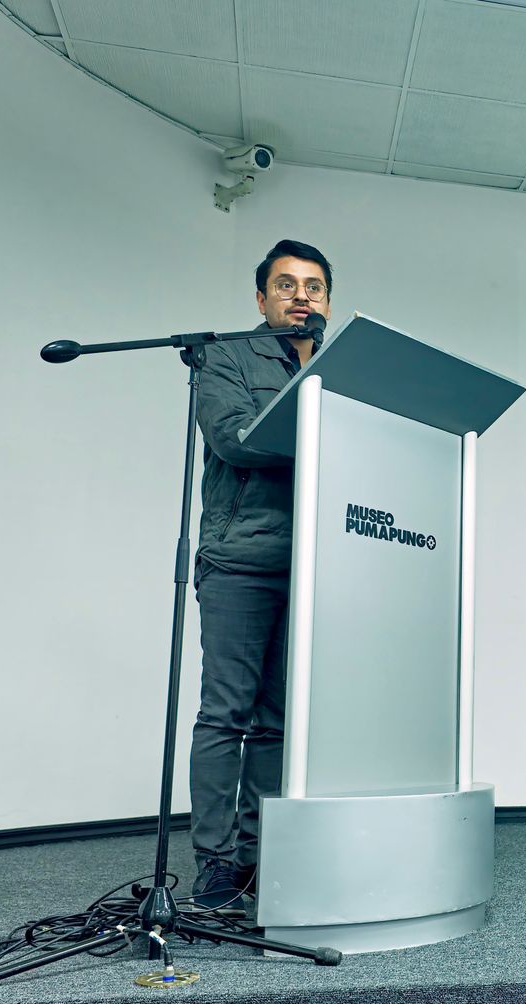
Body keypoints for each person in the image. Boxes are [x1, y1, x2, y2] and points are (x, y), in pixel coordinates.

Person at [186, 238, 333, 909]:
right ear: (261, 298)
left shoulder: (344, 366)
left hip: (314, 565)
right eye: (287, 285)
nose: (302, 297)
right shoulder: (224, 356)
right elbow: (235, 439)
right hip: (240, 560)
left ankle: (257, 853)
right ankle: (214, 862)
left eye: (314, 286)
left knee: (277, 724)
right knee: (226, 715)